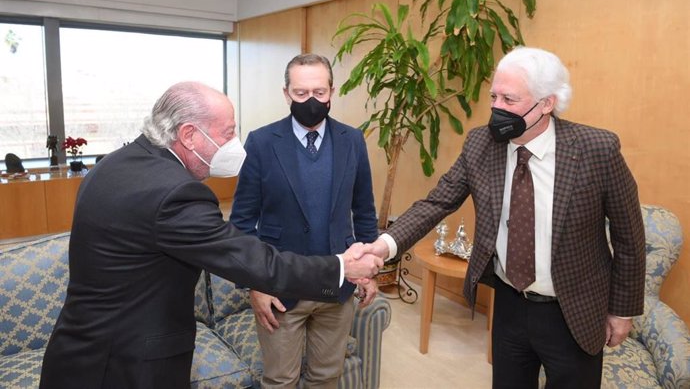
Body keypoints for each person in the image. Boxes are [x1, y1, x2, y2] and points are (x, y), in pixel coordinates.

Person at [38, 81, 382, 389]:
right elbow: (251, 260)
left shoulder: (115, 164)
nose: (234, 144)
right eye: (227, 133)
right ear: (189, 135)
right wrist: (340, 268)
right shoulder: (174, 193)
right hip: (127, 365)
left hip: (78, 352)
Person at [356, 47, 646, 388]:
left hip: (573, 310)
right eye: (494, 97)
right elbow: (437, 203)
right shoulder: (481, 144)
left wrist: (621, 311)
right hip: (509, 304)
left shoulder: (597, 149)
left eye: (509, 100)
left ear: (546, 104)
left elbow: (630, 237)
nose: (497, 108)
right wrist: (382, 246)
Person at [230, 53, 379, 389]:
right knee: (281, 380)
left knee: (326, 377)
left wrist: (371, 267)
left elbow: (364, 210)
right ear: (286, 94)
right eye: (301, 94)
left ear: (331, 92)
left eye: (319, 92)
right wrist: (255, 283)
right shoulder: (262, 142)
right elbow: (241, 222)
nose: (311, 100)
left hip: (337, 286)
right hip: (281, 287)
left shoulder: (352, 140)